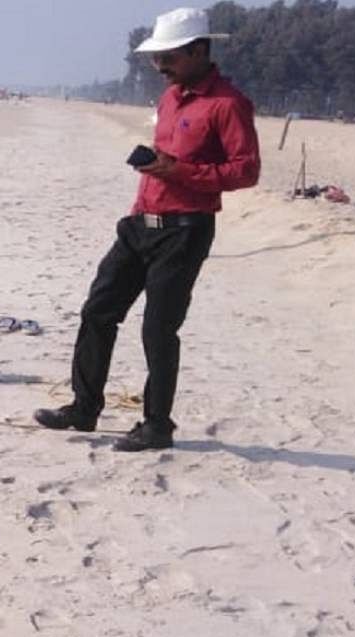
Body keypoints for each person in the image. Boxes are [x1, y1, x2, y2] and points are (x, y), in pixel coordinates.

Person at [33, 7, 260, 452]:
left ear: (198, 51)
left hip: (186, 230)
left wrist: (179, 171)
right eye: (155, 57)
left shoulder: (229, 103)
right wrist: (144, 199)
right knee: (98, 310)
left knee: (158, 330)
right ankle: (84, 408)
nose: (158, 66)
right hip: (141, 223)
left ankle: (157, 426)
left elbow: (246, 171)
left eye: (168, 57)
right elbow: (164, 159)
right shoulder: (170, 98)